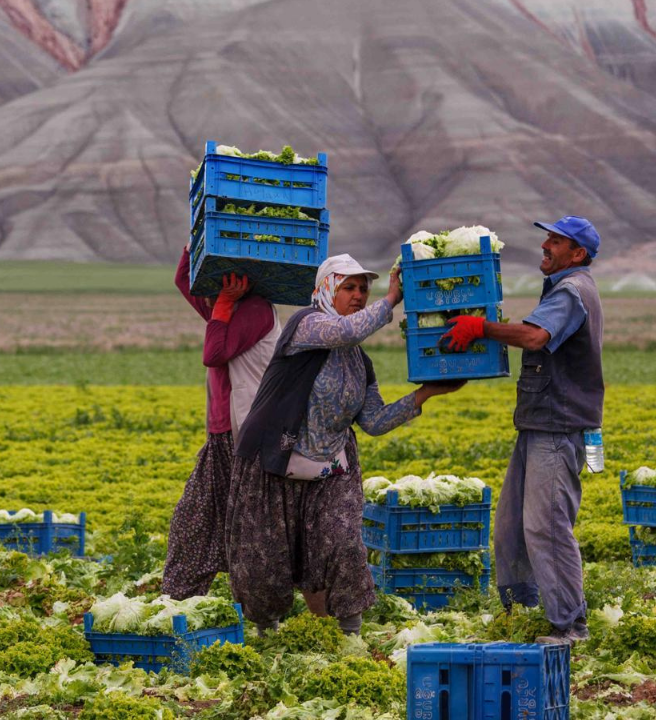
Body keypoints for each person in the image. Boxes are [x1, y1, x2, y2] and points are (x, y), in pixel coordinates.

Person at [227, 255, 465, 634]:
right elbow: (346, 331)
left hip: (330, 468)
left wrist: (427, 393)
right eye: (349, 288)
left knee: (343, 543)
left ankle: (349, 633)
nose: (358, 296)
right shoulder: (305, 325)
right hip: (275, 460)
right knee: (266, 559)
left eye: (363, 289)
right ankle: (265, 633)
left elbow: (374, 421)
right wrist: (389, 302)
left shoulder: (359, 362)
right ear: (326, 290)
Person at [440, 216, 603, 645]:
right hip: (538, 422)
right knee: (512, 525)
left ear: (578, 253)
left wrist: (481, 328)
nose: (545, 245)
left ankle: (570, 625)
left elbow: (534, 337)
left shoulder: (572, 291)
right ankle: (526, 611)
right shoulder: (563, 289)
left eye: (556, 240)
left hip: (558, 425)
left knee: (546, 526)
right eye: (546, 238)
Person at [163, 246, 279, 599]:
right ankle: (179, 600)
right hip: (221, 436)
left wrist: (225, 304)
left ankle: (261, 608)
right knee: (195, 518)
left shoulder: (256, 309)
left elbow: (213, 354)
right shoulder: (228, 308)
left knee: (245, 525)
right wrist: (191, 240)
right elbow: (184, 281)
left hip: (243, 436)